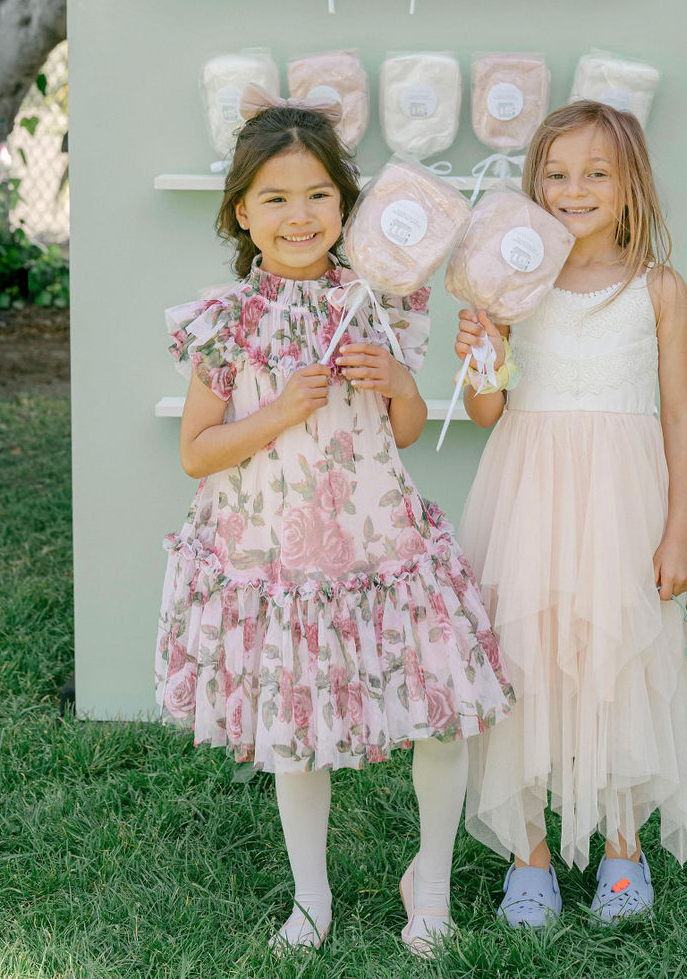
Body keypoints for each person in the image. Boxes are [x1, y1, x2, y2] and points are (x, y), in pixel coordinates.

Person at [155, 93, 513, 953]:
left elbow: (405, 431)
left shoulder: (379, 301)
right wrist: (277, 411)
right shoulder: (230, 321)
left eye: (318, 195)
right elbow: (198, 453)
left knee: (439, 709)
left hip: (379, 541)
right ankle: (310, 898)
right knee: (297, 729)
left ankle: (429, 886)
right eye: (275, 199)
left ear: (345, 206)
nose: (299, 215)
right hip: (279, 556)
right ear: (243, 211)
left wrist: (394, 377)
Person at [455, 99, 687, 927]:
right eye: (557, 173)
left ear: (629, 184)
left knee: (618, 662)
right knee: (529, 660)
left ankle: (621, 846)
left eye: (596, 173)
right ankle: (528, 856)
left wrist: (677, 529)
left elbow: (679, 414)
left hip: (624, 501)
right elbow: (485, 415)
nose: (574, 189)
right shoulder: (512, 284)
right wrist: (485, 356)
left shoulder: (659, 290)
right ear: (535, 184)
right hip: (530, 494)